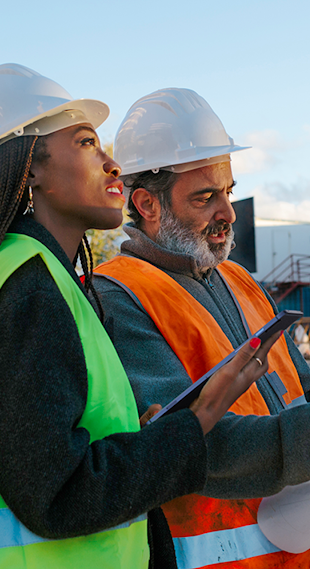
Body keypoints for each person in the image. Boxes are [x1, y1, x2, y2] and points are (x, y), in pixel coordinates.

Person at [0, 65, 279, 569]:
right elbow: (57, 493)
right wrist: (200, 418)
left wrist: (144, 436)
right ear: (29, 169)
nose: (112, 167)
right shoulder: (30, 286)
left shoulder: (52, 280)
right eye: (86, 143)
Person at [92, 88, 310, 569]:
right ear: (146, 204)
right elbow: (187, 445)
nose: (228, 214)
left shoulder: (240, 279)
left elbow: (299, 389)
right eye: (206, 197)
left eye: (228, 192)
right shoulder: (116, 297)